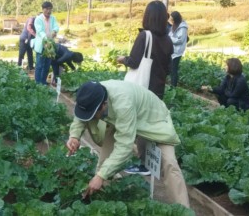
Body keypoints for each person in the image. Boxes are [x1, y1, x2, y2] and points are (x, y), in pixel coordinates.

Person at [66, 80, 190, 208]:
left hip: (153, 120)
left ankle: (184, 210)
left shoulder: (123, 104)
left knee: (169, 163)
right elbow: (81, 114)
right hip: (120, 120)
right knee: (104, 164)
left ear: (103, 105)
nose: (90, 117)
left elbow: (125, 146)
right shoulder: (93, 93)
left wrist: (101, 176)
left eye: (92, 114)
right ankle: (104, 201)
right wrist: (74, 136)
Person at [117, 0, 173, 100]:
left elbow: (134, 62)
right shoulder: (168, 40)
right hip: (158, 90)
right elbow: (168, 68)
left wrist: (123, 59)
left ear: (148, 17)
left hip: (142, 88)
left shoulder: (144, 36)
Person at [33, 1, 59, 85]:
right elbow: (40, 31)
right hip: (42, 45)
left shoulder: (53, 18)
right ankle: (37, 83)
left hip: (50, 45)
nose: (49, 11)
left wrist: (55, 31)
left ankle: (43, 82)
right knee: (39, 65)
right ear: (43, 9)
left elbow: (56, 26)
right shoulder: (38, 19)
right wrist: (46, 40)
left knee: (47, 65)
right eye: (47, 9)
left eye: (50, 9)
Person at [168, 11, 188, 87]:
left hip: (177, 52)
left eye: (172, 19)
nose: (171, 21)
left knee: (174, 70)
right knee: (171, 69)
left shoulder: (183, 27)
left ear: (176, 19)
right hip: (172, 51)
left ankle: (173, 87)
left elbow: (180, 40)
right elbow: (170, 35)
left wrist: (169, 38)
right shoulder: (174, 25)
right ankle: (172, 85)